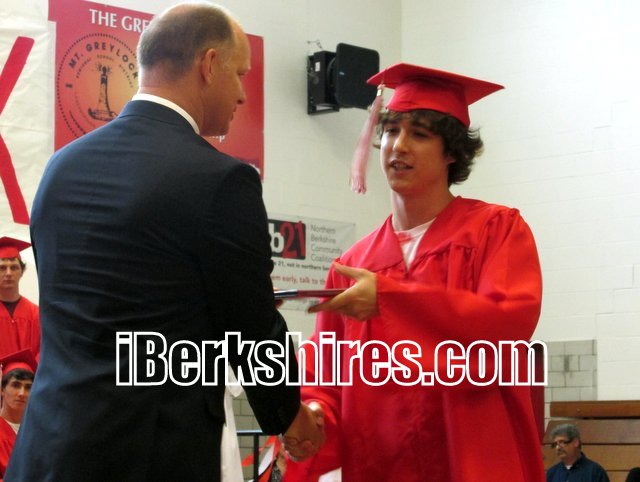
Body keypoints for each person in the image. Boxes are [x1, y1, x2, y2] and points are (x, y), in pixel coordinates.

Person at [5, 3, 323, 481]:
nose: (242, 94)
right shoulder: (221, 180)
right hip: (147, 456)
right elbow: (252, 330)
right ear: (209, 65)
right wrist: (290, 415)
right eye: (239, 74)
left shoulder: (61, 166)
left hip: (45, 451)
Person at [284, 63, 545, 482]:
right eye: (391, 131)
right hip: (380, 468)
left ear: (452, 151)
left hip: (471, 464)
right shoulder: (353, 265)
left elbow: (502, 331)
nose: (398, 146)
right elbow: (326, 374)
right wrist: (313, 413)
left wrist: (392, 300)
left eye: (419, 135)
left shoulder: (495, 232)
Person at [0, 237, 40, 360]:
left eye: (14, 267)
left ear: (21, 272)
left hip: (30, 372)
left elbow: (42, 352)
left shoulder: (35, 314)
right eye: (2, 268)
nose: (8, 273)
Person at [0, 349, 37, 479]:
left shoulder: (39, 431)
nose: (22, 393)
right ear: (2, 389)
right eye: (16, 385)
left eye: (28, 387)